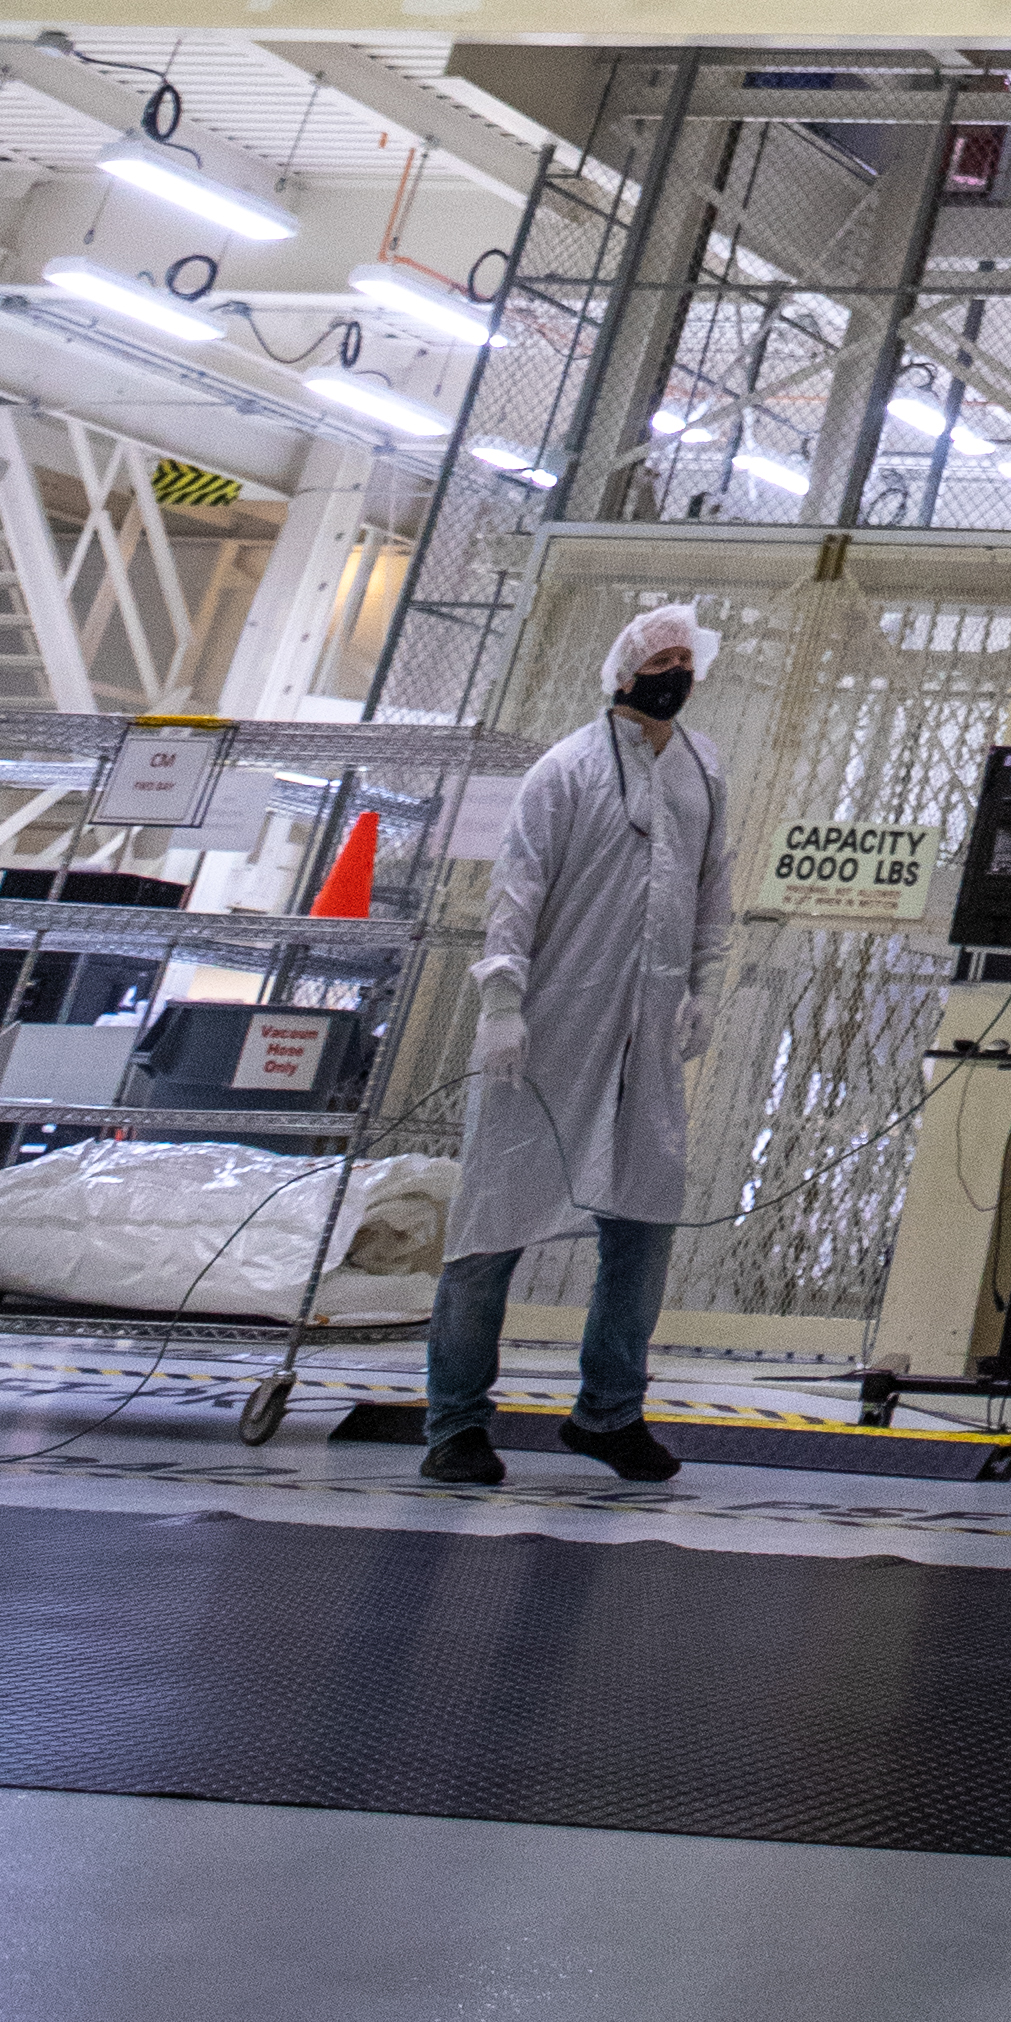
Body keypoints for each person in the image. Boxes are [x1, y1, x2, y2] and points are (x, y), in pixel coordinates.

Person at [421, 598, 729, 1490]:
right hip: (548, 1026)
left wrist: (704, 987)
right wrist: (504, 1000)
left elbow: (713, 887)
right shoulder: (565, 769)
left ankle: (609, 1414)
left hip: (648, 1031)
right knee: (491, 1222)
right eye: (659, 658)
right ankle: (456, 1425)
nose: (676, 673)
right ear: (623, 670)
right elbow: (516, 892)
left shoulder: (703, 769)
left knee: (644, 1216)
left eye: (686, 658)